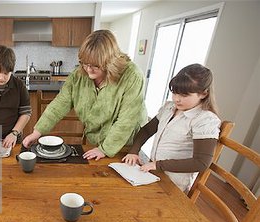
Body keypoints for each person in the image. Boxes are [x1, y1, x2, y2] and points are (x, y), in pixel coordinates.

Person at [22, 30, 147, 160]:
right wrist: (37, 132)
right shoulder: (78, 74)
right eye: (85, 63)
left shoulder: (133, 75)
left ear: (110, 61)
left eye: (95, 65)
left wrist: (104, 149)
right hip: (97, 142)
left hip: (126, 146)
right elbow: (59, 104)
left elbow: (127, 120)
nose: (88, 69)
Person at [122, 63, 221, 193]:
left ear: (203, 94)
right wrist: (134, 151)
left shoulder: (205, 120)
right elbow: (146, 130)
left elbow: (201, 162)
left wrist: (158, 165)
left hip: (173, 184)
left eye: (184, 95)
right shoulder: (169, 108)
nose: (176, 99)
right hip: (153, 173)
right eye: (174, 93)